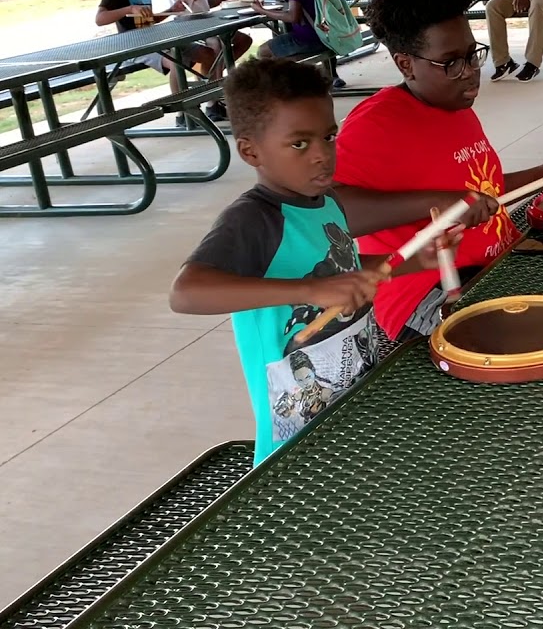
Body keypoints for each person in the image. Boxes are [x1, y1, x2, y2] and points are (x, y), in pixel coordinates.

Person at [169, 59, 458, 466]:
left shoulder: (326, 204)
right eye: (300, 143)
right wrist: (308, 291)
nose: (322, 155)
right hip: (297, 432)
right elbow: (185, 292)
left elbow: (343, 270)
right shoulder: (254, 219)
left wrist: (414, 260)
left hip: (353, 396)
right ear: (251, 150)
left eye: (329, 136)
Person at [334, 0, 543, 342]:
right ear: (405, 64)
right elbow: (329, 216)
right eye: (450, 62)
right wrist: (442, 205)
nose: (470, 73)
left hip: (496, 266)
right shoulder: (376, 124)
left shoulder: (454, 103)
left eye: (472, 55)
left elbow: (484, 193)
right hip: (430, 295)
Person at [95, 0, 219, 123]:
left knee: (209, 54)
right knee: (177, 63)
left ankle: (212, 103)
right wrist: (128, 9)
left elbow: (148, 20)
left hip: (154, 38)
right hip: (135, 46)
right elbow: (100, 19)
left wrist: (172, 10)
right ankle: (183, 113)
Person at [151, 0, 253, 121]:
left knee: (243, 40)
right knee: (216, 46)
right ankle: (210, 102)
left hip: (205, 20)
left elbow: (205, 3)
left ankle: (211, 79)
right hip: (186, 24)